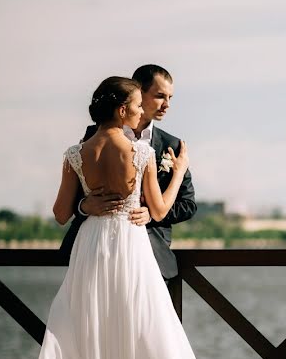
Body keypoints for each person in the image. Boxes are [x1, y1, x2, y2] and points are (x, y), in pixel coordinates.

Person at [18, 76, 240, 359]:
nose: (142, 113)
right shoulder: (139, 153)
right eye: (138, 106)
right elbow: (157, 211)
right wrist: (179, 170)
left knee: (93, 347)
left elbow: (62, 214)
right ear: (122, 110)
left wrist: (85, 202)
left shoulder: (74, 154)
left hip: (92, 250)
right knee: (146, 343)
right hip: (129, 254)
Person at [60, 64, 195, 283]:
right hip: (94, 250)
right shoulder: (92, 136)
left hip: (149, 255)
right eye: (160, 96)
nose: (167, 105)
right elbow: (74, 193)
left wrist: (149, 214)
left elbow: (188, 204)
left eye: (170, 97)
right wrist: (84, 206)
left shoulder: (173, 145)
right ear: (137, 92)